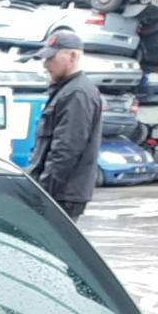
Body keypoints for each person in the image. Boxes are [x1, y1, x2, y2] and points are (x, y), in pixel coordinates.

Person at [28, 29, 103, 221]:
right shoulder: (68, 90)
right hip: (60, 193)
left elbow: (65, 150)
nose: (46, 65)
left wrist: (44, 195)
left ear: (73, 57)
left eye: (51, 58)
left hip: (60, 195)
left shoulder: (76, 94)